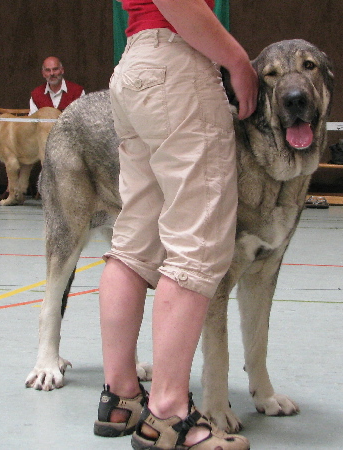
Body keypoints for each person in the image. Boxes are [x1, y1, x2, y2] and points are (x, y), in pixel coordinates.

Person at [93, 1, 258, 449]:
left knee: (133, 244)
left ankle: (121, 397)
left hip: (135, 64)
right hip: (176, 64)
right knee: (197, 247)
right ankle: (168, 413)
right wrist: (238, 62)